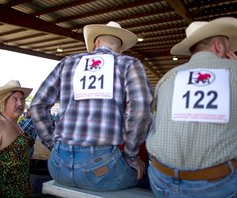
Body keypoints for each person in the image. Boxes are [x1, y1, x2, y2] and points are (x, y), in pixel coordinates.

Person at [30, 21, 154, 191]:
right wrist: (132, 156)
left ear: (96, 43)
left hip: (58, 166)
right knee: (146, 176)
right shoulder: (128, 64)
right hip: (102, 169)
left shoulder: (67, 62)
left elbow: (37, 105)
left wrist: (53, 143)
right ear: (120, 48)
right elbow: (140, 109)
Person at [146, 17, 237, 197]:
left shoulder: (167, 77)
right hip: (215, 185)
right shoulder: (233, 70)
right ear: (219, 46)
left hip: (160, 180)